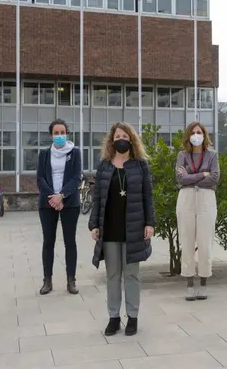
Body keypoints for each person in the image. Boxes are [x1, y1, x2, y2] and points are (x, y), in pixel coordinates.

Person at [88, 122, 155, 337]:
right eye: (117, 136)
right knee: (113, 275)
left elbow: (148, 197)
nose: (121, 139)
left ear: (132, 139)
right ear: (111, 140)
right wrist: (94, 224)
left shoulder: (141, 165)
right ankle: (114, 317)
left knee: (132, 275)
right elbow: (97, 197)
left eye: (124, 135)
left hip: (134, 228)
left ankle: (133, 317)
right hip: (110, 228)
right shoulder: (105, 166)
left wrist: (149, 223)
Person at [37, 119, 83, 296]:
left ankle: (71, 280)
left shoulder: (75, 152)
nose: (59, 136)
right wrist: (53, 198)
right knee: (48, 242)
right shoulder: (44, 154)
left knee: (70, 242)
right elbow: (40, 178)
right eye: (56, 133)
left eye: (62, 132)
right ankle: (47, 280)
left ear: (67, 134)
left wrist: (61, 196)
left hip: (69, 203)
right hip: (47, 204)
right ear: (51, 135)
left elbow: (76, 177)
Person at [176, 122, 220, 301]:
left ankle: (203, 284)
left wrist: (190, 178)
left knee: (205, 242)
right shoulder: (182, 155)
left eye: (199, 132)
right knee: (186, 241)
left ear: (204, 135)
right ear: (188, 135)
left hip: (206, 199)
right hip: (186, 199)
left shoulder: (212, 155)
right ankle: (189, 284)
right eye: (193, 132)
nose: (196, 135)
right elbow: (179, 178)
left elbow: (215, 177)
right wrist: (203, 175)